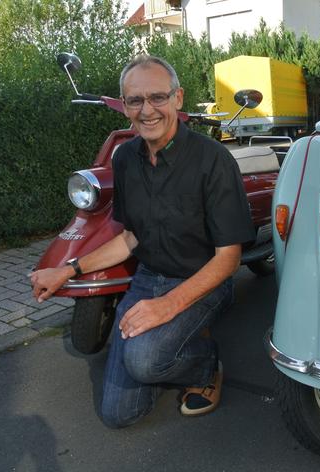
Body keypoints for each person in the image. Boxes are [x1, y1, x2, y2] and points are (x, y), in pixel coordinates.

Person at [30, 55, 255, 426]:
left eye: (157, 98)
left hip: (204, 282)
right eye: (135, 100)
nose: (147, 110)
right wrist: (67, 270)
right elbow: (130, 238)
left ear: (178, 99)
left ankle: (205, 366)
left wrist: (166, 307)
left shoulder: (213, 160)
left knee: (145, 360)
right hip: (149, 279)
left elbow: (228, 259)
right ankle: (163, 354)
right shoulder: (125, 160)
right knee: (119, 414)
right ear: (124, 108)